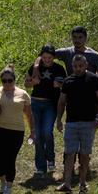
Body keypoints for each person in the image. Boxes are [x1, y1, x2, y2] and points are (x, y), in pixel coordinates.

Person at [55, 55, 98, 194]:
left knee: (84, 154)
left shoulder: (94, 79)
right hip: (71, 123)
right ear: (72, 66)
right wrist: (59, 119)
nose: (78, 69)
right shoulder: (68, 81)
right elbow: (61, 102)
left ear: (86, 65)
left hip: (88, 123)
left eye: (81, 66)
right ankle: (67, 184)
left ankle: (82, 184)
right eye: (75, 66)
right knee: (69, 153)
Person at [0, 65, 33, 194]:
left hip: (16, 131)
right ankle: (3, 182)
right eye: (4, 81)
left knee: (10, 159)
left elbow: (28, 115)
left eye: (10, 80)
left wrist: (33, 131)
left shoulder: (23, 94)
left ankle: (8, 187)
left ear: (14, 80)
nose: (7, 83)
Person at [24, 45, 67, 177]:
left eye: (49, 57)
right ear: (41, 57)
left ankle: (51, 159)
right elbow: (26, 83)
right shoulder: (35, 67)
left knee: (47, 132)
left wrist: (59, 85)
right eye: (44, 57)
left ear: (54, 57)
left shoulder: (59, 68)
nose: (47, 60)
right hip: (35, 102)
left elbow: (65, 85)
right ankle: (40, 166)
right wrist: (33, 83)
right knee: (37, 135)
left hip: (51, 104)